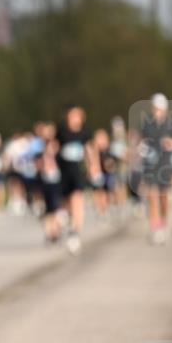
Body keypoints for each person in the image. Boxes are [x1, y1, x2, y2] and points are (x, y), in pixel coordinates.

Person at [55, 105, 98, 254]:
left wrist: (93, 166)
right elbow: (54, 147)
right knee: (66, 201)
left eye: (77, 116)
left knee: (77, 198)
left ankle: (75, 231)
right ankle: (67, 217)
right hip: (63, 172)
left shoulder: (85, 133)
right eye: (72, 116)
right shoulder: (62, 131)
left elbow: (90, 150)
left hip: (78, 172)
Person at [140, 93, 172, 245]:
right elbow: (141, 141)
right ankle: (155, 228)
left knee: (164, 197)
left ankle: (164, 223)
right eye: (155, 108)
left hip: (165, 164)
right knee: (152, 196)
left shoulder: (171, 124)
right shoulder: (147, 124)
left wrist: (171, 143)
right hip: (150, 165)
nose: (157, 111)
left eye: (160, 108)